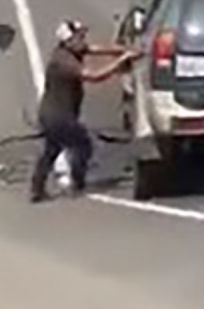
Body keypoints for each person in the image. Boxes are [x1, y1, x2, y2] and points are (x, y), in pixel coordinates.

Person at [30, 20, 141, 203]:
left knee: (52, 149)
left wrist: (123, 50)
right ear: (68, 41)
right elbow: (94, 76)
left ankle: (37, 189)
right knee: (83, 145)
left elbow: (97, 49)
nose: (83, 40)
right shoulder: (64, 61)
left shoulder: (72, 51)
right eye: (79, 36)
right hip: (59, 115)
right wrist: (122, 60)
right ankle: (78, 182)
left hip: (53, 113)